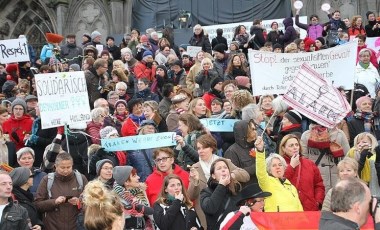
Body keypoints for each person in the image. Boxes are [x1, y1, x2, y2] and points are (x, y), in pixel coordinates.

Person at [188, 134, 249, 229]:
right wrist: (194, 182)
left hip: (228, 211)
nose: (201, 151)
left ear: (212, 148)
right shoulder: (195, 168)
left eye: (204, 147)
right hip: (207, 213)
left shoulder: (224, 162)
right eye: (199, 148)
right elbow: (191, 196)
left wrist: (231, 176)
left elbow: (245, 175)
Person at [34, 152, 88, 230]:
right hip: (52, 226)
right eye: (62, 167)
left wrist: (79, 202)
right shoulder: (47, 179)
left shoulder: (81, 179)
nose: (65, 170)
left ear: (72, 166)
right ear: (55, 166)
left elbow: (91, 204)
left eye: (68, 167)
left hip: (76, 226)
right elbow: (37, 205)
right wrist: (54, 202)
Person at [255, 136, 303, 212]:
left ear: (284, 168)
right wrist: (260, 151)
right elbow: (260, 171)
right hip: (275, 222)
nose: (278, 167)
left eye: (280, 165)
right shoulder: (267, 183)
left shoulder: (291, 186)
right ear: (269, 169)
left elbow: (299, 208)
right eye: (274, 165)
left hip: (294, 222)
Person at [279, 134, 325, 211]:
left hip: (310, 209)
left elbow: (319, 185)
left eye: (297, 144)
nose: (295, 147)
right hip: (289, 210)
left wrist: (317, 202)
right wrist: (291, 167)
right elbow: (279, 183)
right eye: (291, 145)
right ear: (283, 148)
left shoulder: (309, 164)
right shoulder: (279, 164)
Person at [200, 158, 242, 230]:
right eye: (219, 168)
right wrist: (221, 186)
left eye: (225, 167)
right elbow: (210, 209)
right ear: (213, 175)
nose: (223, 170)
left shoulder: (236, 189)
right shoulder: (206, 192)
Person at [224, 119, 258, 186]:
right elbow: (233, 174)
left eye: (255, 129)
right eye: (253, 129)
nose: (256, 132)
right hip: (244, 191)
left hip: (260, 187)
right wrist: (255, 168)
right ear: (244, 131)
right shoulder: (231, 151)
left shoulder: (256, 146)